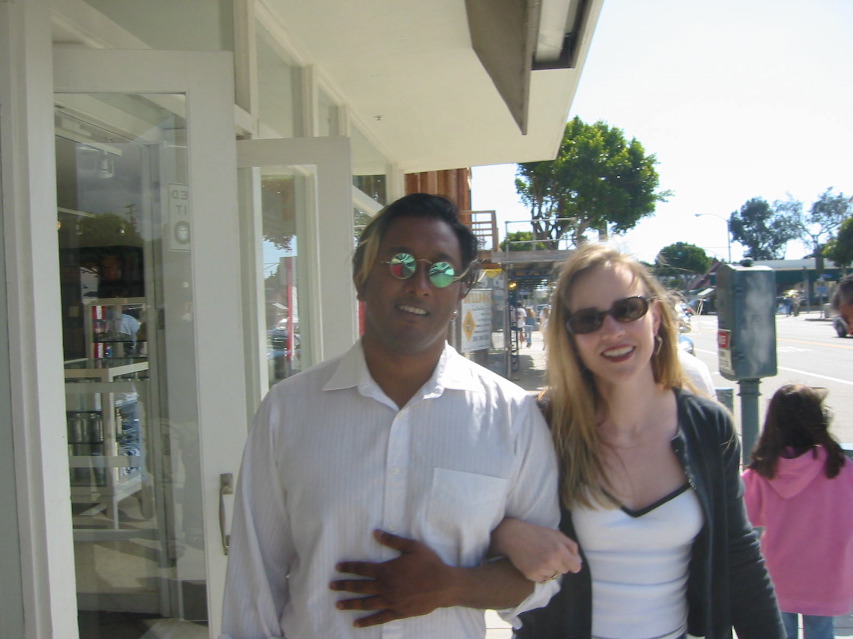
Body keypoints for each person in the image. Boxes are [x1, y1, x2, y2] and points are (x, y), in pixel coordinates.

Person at [220, 193, 568, 639]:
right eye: (399, 262)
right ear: (361, 279)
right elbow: (253, 582)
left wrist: (453, 586)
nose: (419, 283)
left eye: (441, 269)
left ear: (461, 291)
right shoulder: (287, 411)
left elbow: (543, 578)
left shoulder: (511, 417)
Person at [490, 243, 784, 639]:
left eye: (628, 310)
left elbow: (739, 553)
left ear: (656, 316)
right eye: (588, 320)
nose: (612, 331)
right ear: (571, 336)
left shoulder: (708, 425)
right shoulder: (541, 425)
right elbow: (468, 520)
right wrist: (504, 533)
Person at [742, 384, 853, 639]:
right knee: (822, 632)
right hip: (828, 575)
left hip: (778, 575)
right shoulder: (840, 468)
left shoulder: (763, 470)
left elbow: (746, 516)